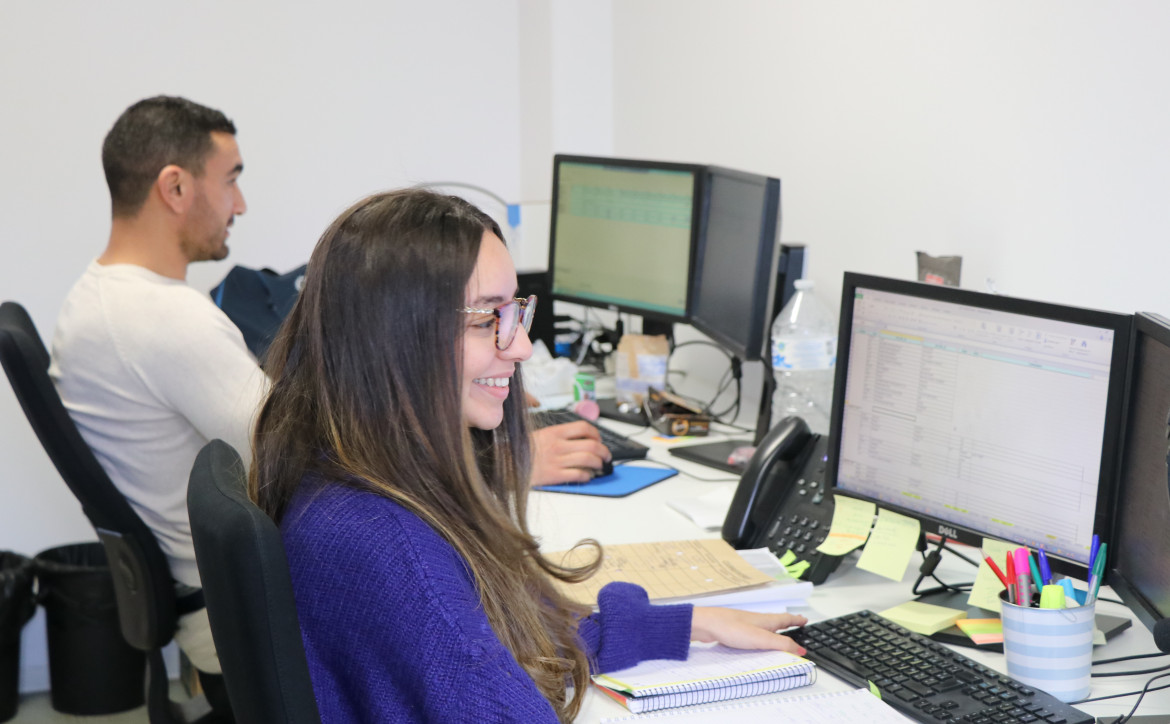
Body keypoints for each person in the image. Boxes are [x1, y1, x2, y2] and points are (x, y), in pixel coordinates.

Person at [50, 96, 611, 696]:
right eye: (232, 179)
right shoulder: (162, 318)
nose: (241, 203)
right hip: (245, 615)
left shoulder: (94, 298)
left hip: (237, 599)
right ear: (175, 187)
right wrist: (505, 462)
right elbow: (308, 444)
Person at [250, 189, 807, 723]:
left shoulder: (355, 475)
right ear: (396, 334)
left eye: (515, 310)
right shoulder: (389, 544)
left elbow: (500, 640)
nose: (519, 346)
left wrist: (680, 626)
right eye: (486, 318)